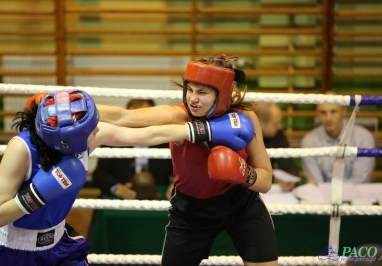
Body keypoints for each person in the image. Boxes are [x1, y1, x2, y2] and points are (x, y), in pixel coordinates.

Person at [0, 89, 255, 265]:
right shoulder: (21, 150)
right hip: (13, 252)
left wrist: (205, 130)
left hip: (58, 245)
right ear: (64, 141)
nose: (96, 131)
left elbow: (148, 135)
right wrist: (35, 196)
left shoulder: (87, 134)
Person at [97, 54, 278, 266]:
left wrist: (242, 172)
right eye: (190, 90)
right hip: (191, 211)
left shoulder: (244, 117)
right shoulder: (180, 116)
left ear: (223, 94)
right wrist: (80, 106)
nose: (193, 98)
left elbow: (265, 182)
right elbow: (124, 117)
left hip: (241, 204)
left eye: (202, 92)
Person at [92, 99, 173, 199]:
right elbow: (99, 174)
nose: (138, 120)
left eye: (145, 115)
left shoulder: (166, 142)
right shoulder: (113, 140)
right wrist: (117, 188)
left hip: (159, 200)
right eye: (134, 115)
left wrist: (175, 185)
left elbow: (179, 172)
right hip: (121, 203)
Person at [301, 91, 376, 184]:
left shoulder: (364, 138)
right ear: (317, 114)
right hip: (322, 197)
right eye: (323, 112)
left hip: (355, 195)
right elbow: (316, 183)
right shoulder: (309, 141)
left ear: (344, 111)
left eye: (333, 111)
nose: (328, 118)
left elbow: (359, 180)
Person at [255, 102, 300, 192]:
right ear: (260, 123)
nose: (280, 126)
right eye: (275, 124)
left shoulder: (277, 135)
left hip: (266, 192)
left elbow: (288, 164)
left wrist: (290, 180)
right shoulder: (244, 136)